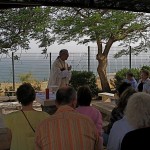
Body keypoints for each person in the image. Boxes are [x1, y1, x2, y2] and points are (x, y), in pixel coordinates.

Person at [35, 86, 102, 150]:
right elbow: (98, 146)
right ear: (74, 102)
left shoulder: (43, 126)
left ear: (56, 103)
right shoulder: (88, 122)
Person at [4, 83, 49, 150]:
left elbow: (9, 140)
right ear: (33, 98)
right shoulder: (45, 117)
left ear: (19, 99)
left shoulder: (9, 118)